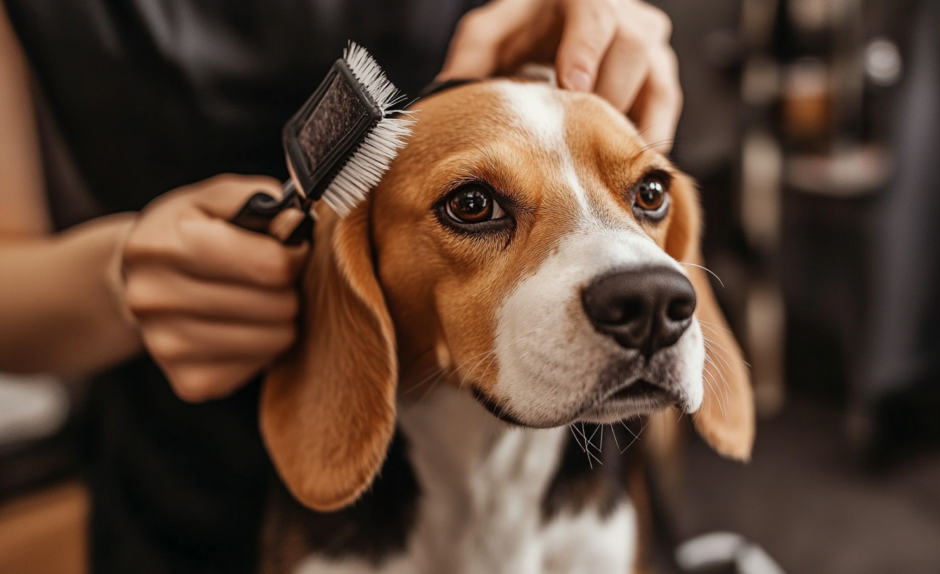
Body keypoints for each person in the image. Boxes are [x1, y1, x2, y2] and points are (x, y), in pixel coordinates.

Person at [0, 0, 683, 571]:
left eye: (649, 193)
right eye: (474, 204)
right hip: (194, 481)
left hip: (573, 475)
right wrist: (115, 276)